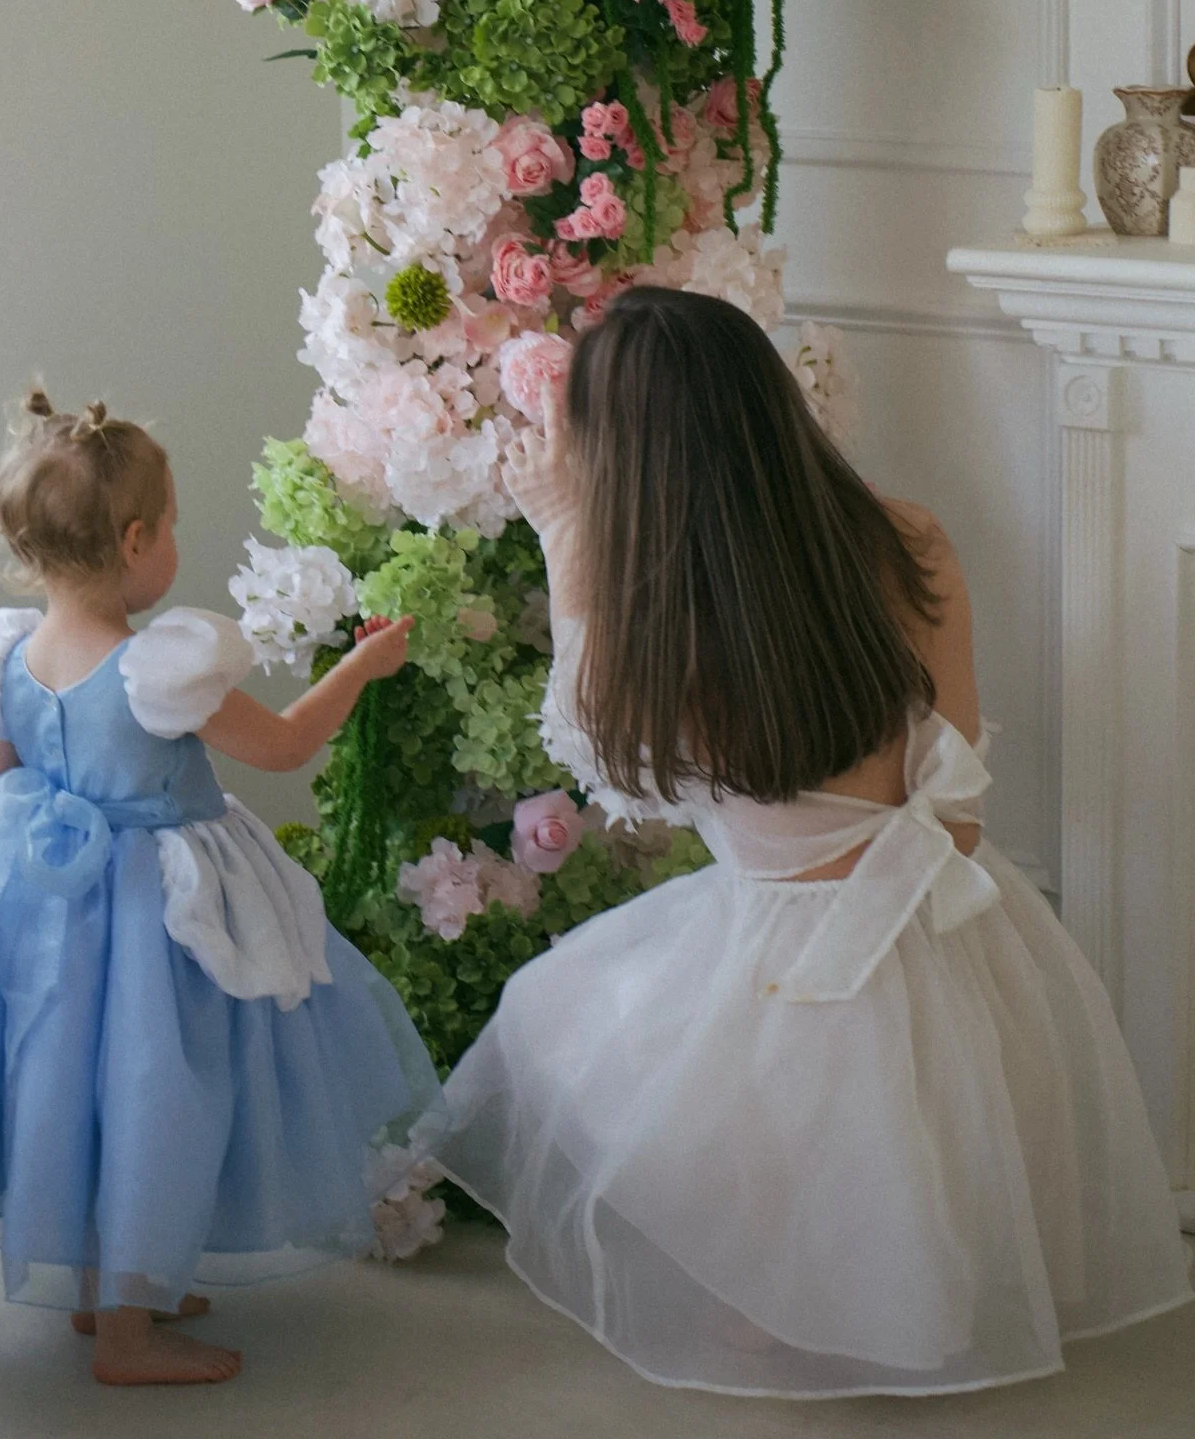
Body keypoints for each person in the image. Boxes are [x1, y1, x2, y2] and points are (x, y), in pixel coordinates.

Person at [431, 286, 1192, 1399]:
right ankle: (879, 1300)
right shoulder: (907, 538)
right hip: (940, 906)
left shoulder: (662, 621)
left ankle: (778, 1310)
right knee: (896, 1097)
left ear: (628, 463)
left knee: (565, 1023)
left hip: (785, 931)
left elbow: (611, 772)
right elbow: (962, 793)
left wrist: (562, 534)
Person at [0, 390, 437, 1387]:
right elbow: (284, 746)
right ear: (137, 536)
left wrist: (53, 830)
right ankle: (128, 1335)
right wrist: (362, 669)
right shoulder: (159, 669)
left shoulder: (11, 658)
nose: (177, 547)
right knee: (160, 1094)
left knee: (71, 1094)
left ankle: (105, 1285)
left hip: (49, 914)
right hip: (162, 917)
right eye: (175, 527)